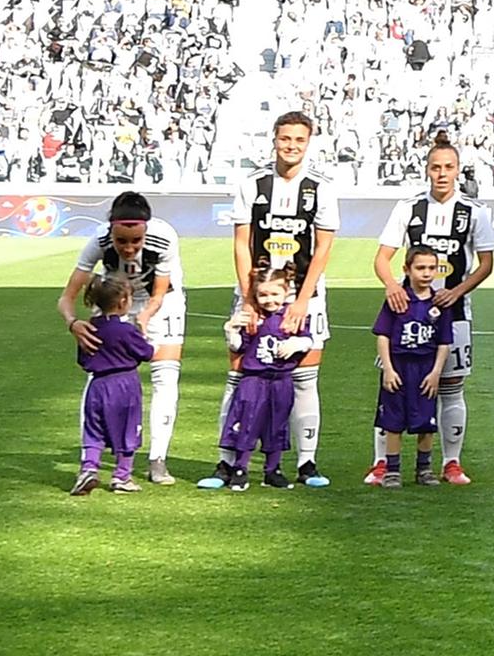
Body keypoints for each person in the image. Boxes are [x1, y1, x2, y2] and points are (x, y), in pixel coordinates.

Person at [231, 108, 334, 489]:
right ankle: (229, 461)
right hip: (256, 294)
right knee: (239, 376)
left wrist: (303, 300)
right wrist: (247, 299)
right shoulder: (253, 184)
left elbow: (322, 250)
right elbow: (242, 244)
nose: (291, 146)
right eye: (285, 138)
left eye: (299, 140)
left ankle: (306, 462)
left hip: (307, 295)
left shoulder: (321, 188)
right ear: (274, 140)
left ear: (308, 144)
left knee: (305, 379)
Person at [376, 136, 487, 485]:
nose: (442, 174)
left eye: (448, 167)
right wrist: (394, 287)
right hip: (406, 313)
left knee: (451, 387)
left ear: (457, 171)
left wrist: (456, 292)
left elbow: (486, 264)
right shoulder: (408, 207)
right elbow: (382, 258)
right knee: (391, 385)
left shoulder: (474, 211)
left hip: (454, 312)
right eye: (435, 167)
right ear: (427, 169)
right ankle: (382, 464)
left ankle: (450, 462)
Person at [62, 190, 185, 486]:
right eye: (121, 241)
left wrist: (142, 319)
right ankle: (88, 463)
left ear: (146, 229)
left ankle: (157, 458)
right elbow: (67, 297)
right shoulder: (98, 241)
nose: (129, 248)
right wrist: (73, 323)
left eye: (136, 241)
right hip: (113, 300)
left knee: (164, 376)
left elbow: (158, 294)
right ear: (110, 231)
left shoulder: (164, 237)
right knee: (98, 375)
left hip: (160, 302)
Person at [209, 266, 313, 491]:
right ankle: (240, 468)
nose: (269, 300)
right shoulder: (252, 318)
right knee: (246, 423)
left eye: (274, 294)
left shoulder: (293, 316)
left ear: (286, 292)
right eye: (263, 294)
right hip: (253, 381)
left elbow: (308, 339)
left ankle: (272, 470)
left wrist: (297, 343)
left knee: (277, 425)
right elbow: (239, 347)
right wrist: (231, 330)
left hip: (281, 380)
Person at [370, 249, 453, 492]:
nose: (426, 273)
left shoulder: (440, 303)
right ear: (407, 270)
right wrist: (388, 368)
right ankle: (392, 470)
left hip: (425, 369)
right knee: (393, 421)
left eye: (431, 268)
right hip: (399, 367)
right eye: (420, 268)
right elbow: (383, 336)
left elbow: (444, 342)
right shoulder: (397, 298)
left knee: (426, 421)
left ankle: (424, 469)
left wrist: (436, 372)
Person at [72, 272, 154, 496]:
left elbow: (83, 360)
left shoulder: (88, 329)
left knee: (94, 428)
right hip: (124, 384)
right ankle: (122, 476)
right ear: (123, 301)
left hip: (97, 385)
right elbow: (147, 353)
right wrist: (143, 333)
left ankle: (89, 468)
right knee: (128, 428)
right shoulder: (126, 330)